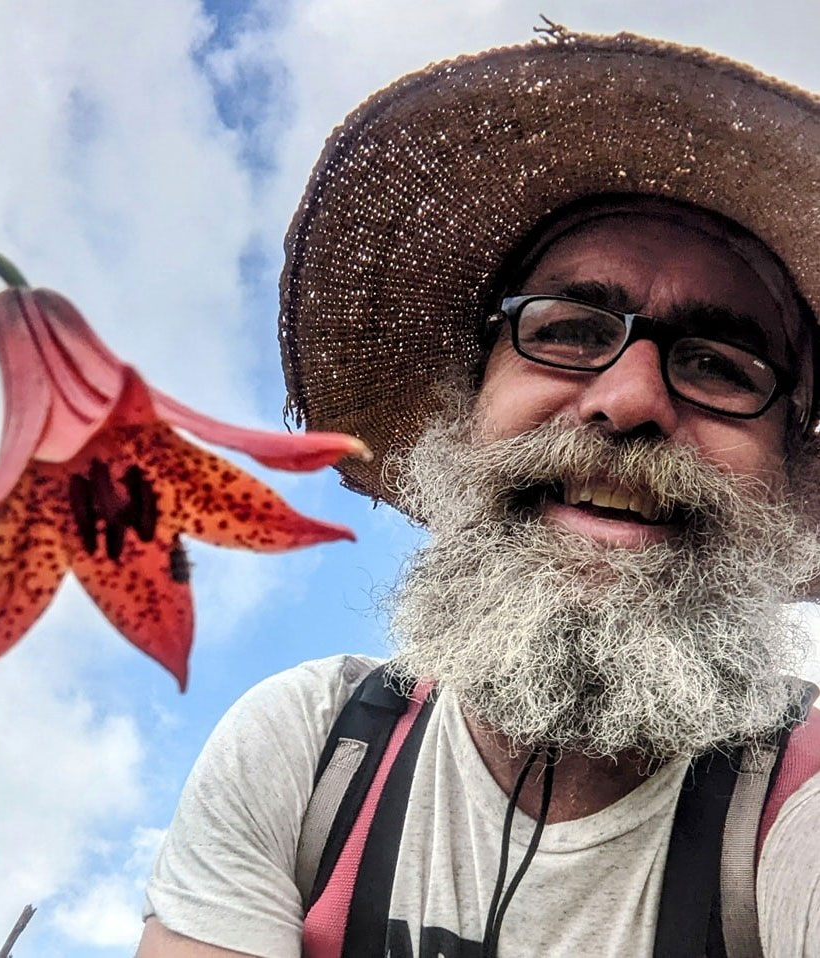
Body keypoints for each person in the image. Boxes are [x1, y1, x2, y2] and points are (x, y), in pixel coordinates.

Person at [137, 24, 820, 958]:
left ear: (789, 476)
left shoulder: (798, 798)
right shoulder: (305, 754)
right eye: (571, 329)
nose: (627, 400)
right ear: (468, 407)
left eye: (720, 364)